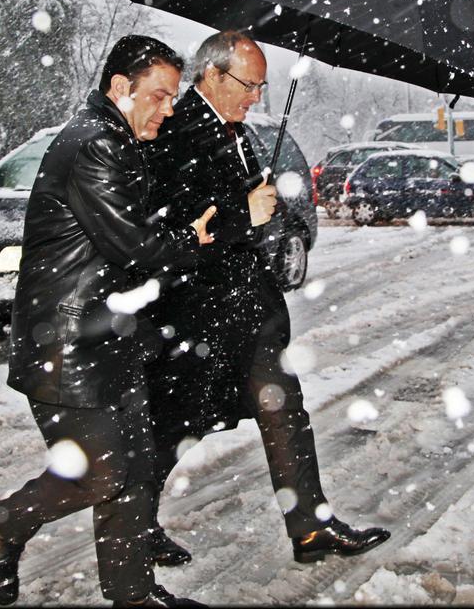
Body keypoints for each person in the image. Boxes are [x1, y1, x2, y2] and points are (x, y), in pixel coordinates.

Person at [0, 35, 216, 609]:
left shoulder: (119, 140)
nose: (167, 108)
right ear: (119, 88)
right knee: (102, 473)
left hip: (107, 334)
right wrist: (189, 238)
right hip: (65, 343)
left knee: (134, 466)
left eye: (173, 97)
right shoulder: (94, 146)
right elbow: (135, 245)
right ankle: (5, 522)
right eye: (158, 95)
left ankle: (133, 595)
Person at [143, 30, 390, 568]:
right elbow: (177, 227)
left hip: (247, 313)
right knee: (176, 427)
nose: (256, 96)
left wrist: (259, 204)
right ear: (211, 75)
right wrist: (242, 214)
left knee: (284, 410)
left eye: (262, 86)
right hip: (201, 317)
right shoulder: (179, 131)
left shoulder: (231, 129)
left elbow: (237, 215)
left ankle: (310, 526)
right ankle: (124, 527)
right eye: (248, 84)